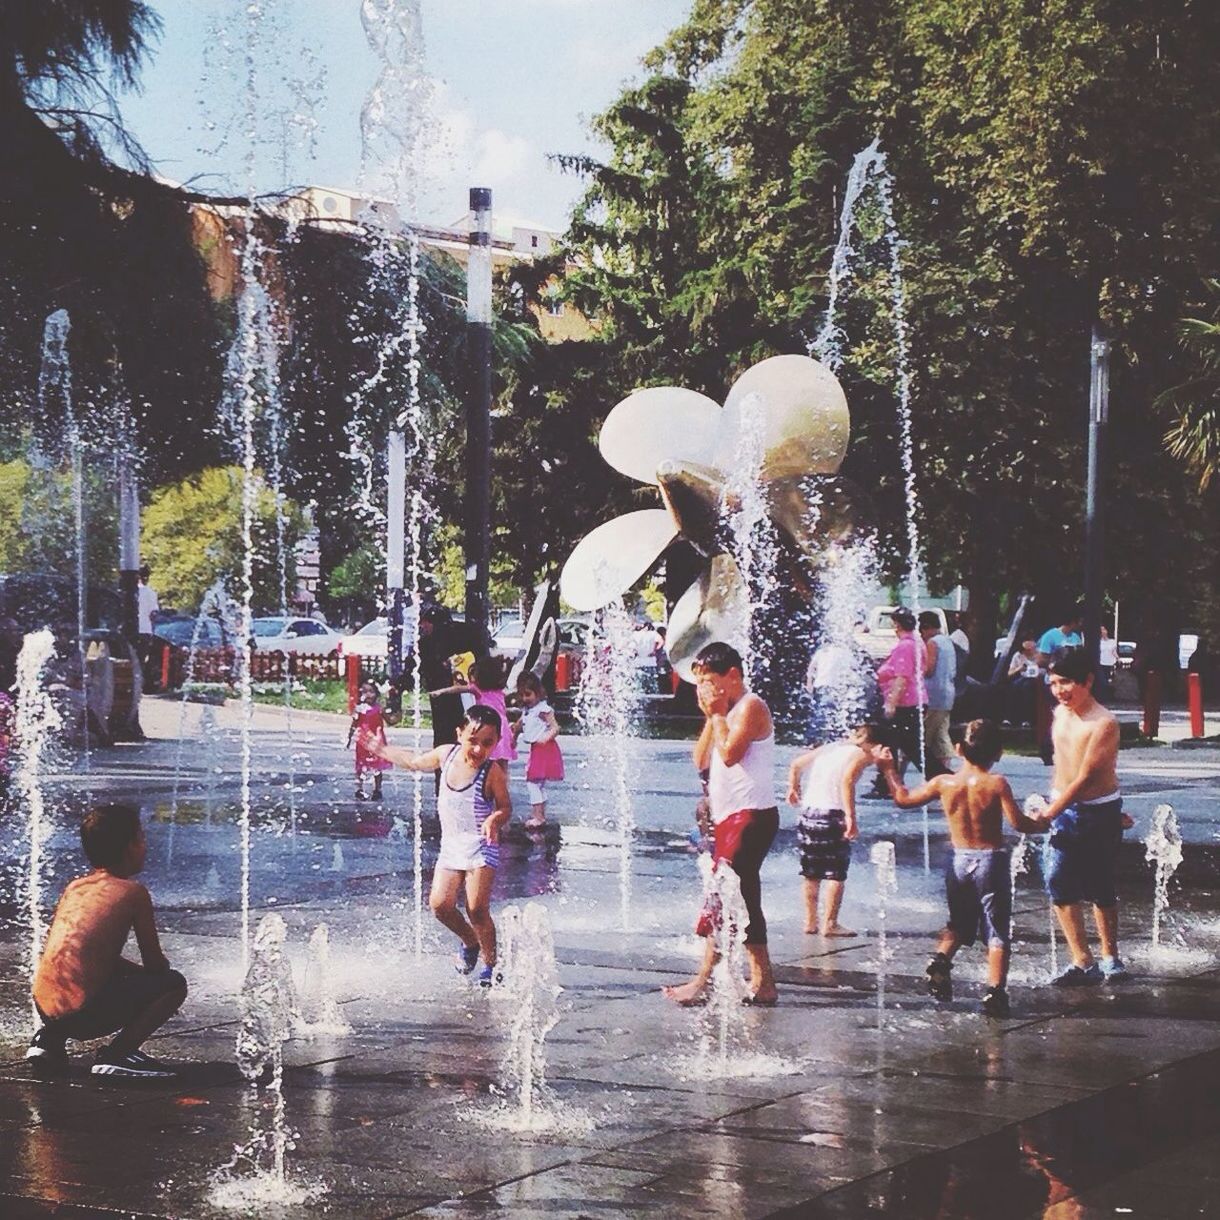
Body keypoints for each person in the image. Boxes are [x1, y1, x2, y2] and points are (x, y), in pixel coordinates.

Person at [878, 720, 1045, 1016]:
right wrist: (1042, 821)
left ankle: (942, 959)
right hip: (990, 861)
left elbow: (902, 799)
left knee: (958, 922)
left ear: (958, 749)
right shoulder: (996, 783)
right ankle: (995, 991)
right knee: (996, 928)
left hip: (958, 860)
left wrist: (889, 769)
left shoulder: (944, 782)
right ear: (1000, 753)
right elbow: (1019, 823)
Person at [26, 803, 188, 1078]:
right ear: (128, 847)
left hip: (44, 1006)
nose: (145, 847)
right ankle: (120, 1053)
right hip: (84, 1016)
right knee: (173, 983)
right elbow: (154, 964)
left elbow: (76, 953)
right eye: (142, 839)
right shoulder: (133, 892)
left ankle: (49, 1039)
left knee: (87, 971)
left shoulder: (74, 887)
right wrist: (155, 991)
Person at [663, 642, 779, 1007]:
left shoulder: (751, 707)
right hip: (729, 819)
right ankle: (764, 980)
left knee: (721, 898)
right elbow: (701, 760)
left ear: (733, 675)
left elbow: (730, 756)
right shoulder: (724, 713)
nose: (705, 690)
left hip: (752, 817)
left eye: (710, 681)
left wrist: (717, 715)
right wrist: (712, 716)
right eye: (700, 684)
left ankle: (704, 982)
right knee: (743, 899)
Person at [366, 705, 511, 986]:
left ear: (496, 742)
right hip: (452, 845)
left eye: (488, 743)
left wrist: (495, 819)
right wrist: (382, 749)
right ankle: (470, 941)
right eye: (473, 740)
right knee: (440, 905)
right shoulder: (447, 755)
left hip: (482, 844)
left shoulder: (492, 772)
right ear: (459, 734)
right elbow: (414, 762)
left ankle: (491, 965)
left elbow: (506, 807)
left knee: (476, 908)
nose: (479, 749)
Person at [1026, 649, 1130, 986]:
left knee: (1099, 883)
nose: (1059, 690)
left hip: (1097, 809)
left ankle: (1111, 955)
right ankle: (1082, 960)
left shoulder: (1104, 722)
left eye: (1066, 682)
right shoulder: (1060, 713)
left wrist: (1052, 812)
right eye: (1054, 683)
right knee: (1058, 878)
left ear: (1087, 680)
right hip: (1062, 806)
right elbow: (1062, 766)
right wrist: (1049, 802)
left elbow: (1086, 776)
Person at [785, 722, 884, 937]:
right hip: (832, 814)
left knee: (811, 872)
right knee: (835, 873)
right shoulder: (861, 754)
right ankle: (830, 924)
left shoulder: (832, 747)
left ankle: (810, 922)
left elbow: (796, 764)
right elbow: (847, 782)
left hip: (808, 813)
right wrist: (851, 817)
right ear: (871, 743)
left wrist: (793, 787)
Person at [876, 607, 944, 782]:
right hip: (914, 701)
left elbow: (902, 678)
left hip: (905, 704)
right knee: (909, 745)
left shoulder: (905, 646)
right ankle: (888, 781)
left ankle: (941, 778)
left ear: (897, 624)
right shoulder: (916, 643)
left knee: (903, 745)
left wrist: (891, 703)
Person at [431, 654, 516, 770]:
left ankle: (485, 783)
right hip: (503, 727)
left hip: (488, 727)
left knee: (486, 758)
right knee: (502, 762)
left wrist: (441, 692)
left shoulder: (478, 690)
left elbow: (459, 689)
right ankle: (503, 784)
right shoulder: (499, 691)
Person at [512, 671, 564, 829]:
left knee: (533, 782)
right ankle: (540, 814)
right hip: (537, 748)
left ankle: (538, 817)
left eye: (528, 694)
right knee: (537, 783)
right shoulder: (528, 710)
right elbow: (519, 725)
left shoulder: (543, 709)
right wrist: (513, 738)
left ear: (538, 692)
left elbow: (555, 727)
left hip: (544, 748)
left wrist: (546, 737)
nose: (525, 698)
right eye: (522, 695)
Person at [920, 611, 957, 773]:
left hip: (933, 694)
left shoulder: (933, 643)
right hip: (948, 693)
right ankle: (945, 769)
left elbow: (929, 669)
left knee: (923, 735)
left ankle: (900, 773)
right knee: (941, 734)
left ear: (926, 627)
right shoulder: (948, 641)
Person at [347, 680, 390, 800]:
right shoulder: (359, 708)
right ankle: (359, 788)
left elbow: (390, 720)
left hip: (377, 741)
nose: (368, 694)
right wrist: (350, 737)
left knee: (378, 766)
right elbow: (354, 724)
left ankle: (377, 789)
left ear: (376, 693)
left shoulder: (379, 708)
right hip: (362, 742)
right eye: (365, 691)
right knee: (360, 765)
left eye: (371, 691)